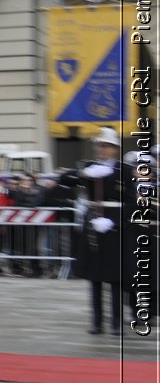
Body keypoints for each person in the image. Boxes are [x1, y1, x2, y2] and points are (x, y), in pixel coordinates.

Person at [63, 127, 139, 335]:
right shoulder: (89, 168)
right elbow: (64, 180)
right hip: (93, 227)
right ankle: (96, 322)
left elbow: (133, 204)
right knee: (94, 277)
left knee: (115, 278)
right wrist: (82, 173)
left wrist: (113, 222)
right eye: (100, 146)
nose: (102, 150)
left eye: (106, 146)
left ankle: (116, 322)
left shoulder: (124, 171)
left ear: (115, 149)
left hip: (115, 230)